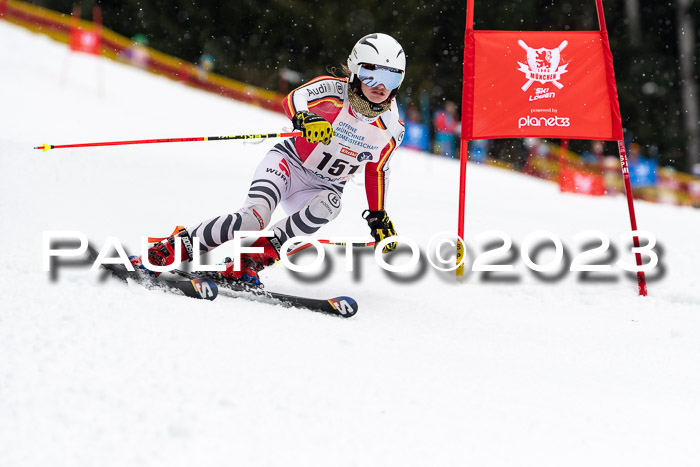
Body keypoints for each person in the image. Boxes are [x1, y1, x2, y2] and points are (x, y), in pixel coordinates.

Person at [130, 33, 406, 286]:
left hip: (325, 187)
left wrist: (378, 217)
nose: (381, 87)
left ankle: (248, 261)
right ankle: (167, 250)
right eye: (372, 75)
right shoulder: (334, 91)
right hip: (289, 166)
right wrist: (305, 117)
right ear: (356, 71)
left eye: (392, 78)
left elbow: (377, 171)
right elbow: (294, 98)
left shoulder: (392, 128)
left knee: (331, 206)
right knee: (253, 219)